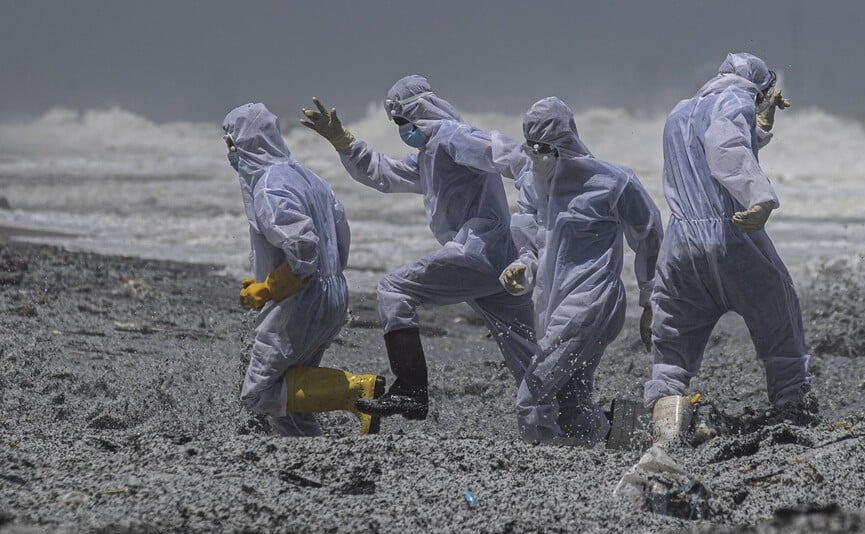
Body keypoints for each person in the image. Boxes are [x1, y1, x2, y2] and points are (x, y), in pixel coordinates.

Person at [301, 76, 536, 423]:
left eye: (400, 122)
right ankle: (575, 418)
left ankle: (411, 389)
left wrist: (536, 203)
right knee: (525, 353)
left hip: (477, 252)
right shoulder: (430, 154)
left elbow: (512, 156)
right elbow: (386, 173)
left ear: (416, 113)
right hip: (501, 263)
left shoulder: (452, 137)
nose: (401, 130)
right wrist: (342, 139)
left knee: (393, 290)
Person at [645, 52, 816, 446]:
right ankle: (792, 407)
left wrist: (762, 124)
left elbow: (715, 144)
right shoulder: (735, 100)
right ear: (755, 87)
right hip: (732, 238)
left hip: (682, 246)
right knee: (780, 317)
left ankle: (667, 431)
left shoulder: (680, 112)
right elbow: (725, 146)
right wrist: (759, 197)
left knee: (672, 346)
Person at [497, 97, 662, 446]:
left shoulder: (611, 181)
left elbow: (648, 235)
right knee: (571, 407)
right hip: (554, 305)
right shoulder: (531, 186)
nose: (535, 154)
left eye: (544, 147)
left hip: (594, 301)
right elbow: (530, 250)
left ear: (564, 143)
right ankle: (638, 435)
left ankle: (540, 462)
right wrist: (518, 271)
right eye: (530, 146)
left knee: (533, 396)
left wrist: (651, 300)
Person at [223, 102, 383, 437]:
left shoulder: (269, 185)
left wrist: (271, 288)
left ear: (244, 144)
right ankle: (310, 447)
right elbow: (339, 238)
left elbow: (304, 248)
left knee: (260, 393)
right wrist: (272, 278)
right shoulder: (311, 178)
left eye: (230, 145)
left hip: (300, 301)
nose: (230, 155)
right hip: (332, 292)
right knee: (291, 399)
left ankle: (357, 391)